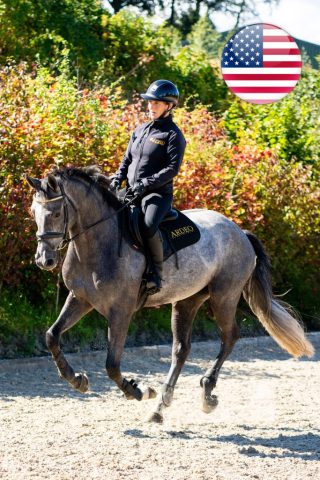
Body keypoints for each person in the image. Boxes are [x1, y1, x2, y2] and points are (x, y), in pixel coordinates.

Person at [109, 79, 186, 294]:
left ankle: (156, 274)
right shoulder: (140, 130)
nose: (151, 107)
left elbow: (172, 169)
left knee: (148, 225)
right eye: (150, 103)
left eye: (157, 104)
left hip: (157, 194)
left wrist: (145, 184)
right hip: (132, 190)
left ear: (169, 107)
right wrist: (118, 178)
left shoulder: (173, 135)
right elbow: (127, 160)